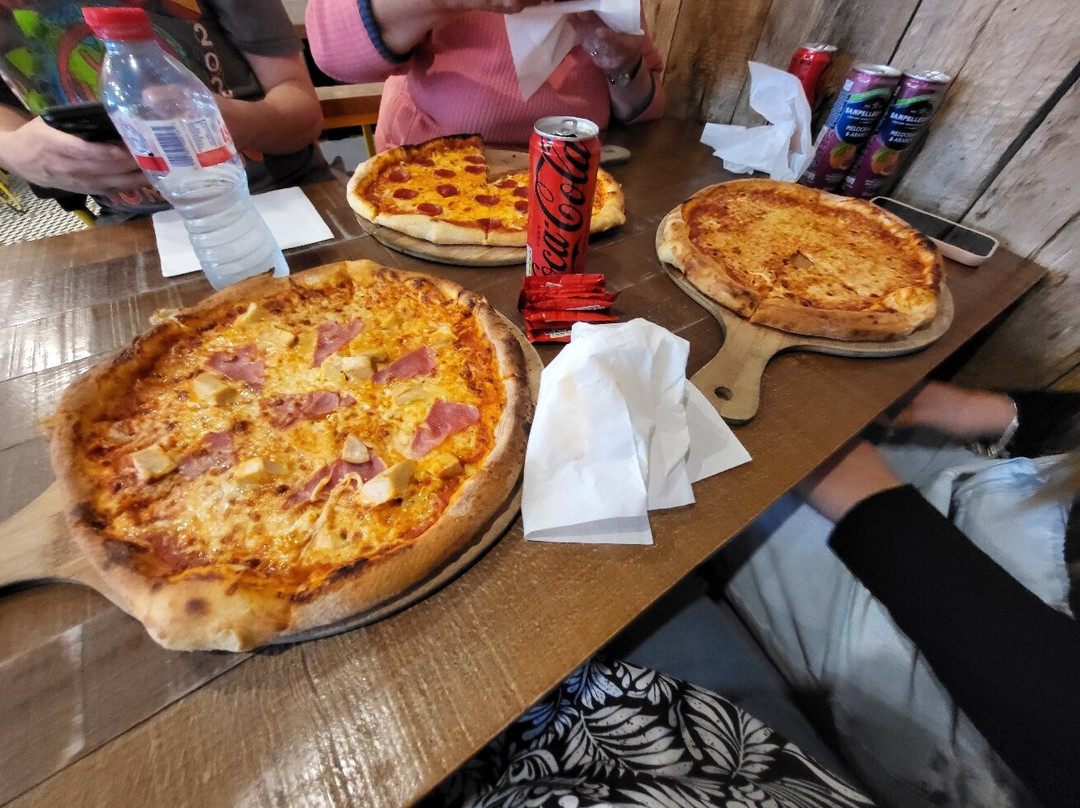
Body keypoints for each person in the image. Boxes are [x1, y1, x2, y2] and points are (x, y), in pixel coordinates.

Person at [719, 382, 1080, 808]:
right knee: (809, 393)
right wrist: (1004, 414)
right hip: (1021, 495)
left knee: (733, 466)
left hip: (1000, 696)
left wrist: (874, 511)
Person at [0, 0, 333, 221]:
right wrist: (13, 150)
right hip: (133, 224)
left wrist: (215, 124)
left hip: (279, 194)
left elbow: (302, 115)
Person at [304, 0, 665, 152]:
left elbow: (647, 108)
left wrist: (622, 65)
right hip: (427, 178)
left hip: (577, 187)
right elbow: (331, 50)